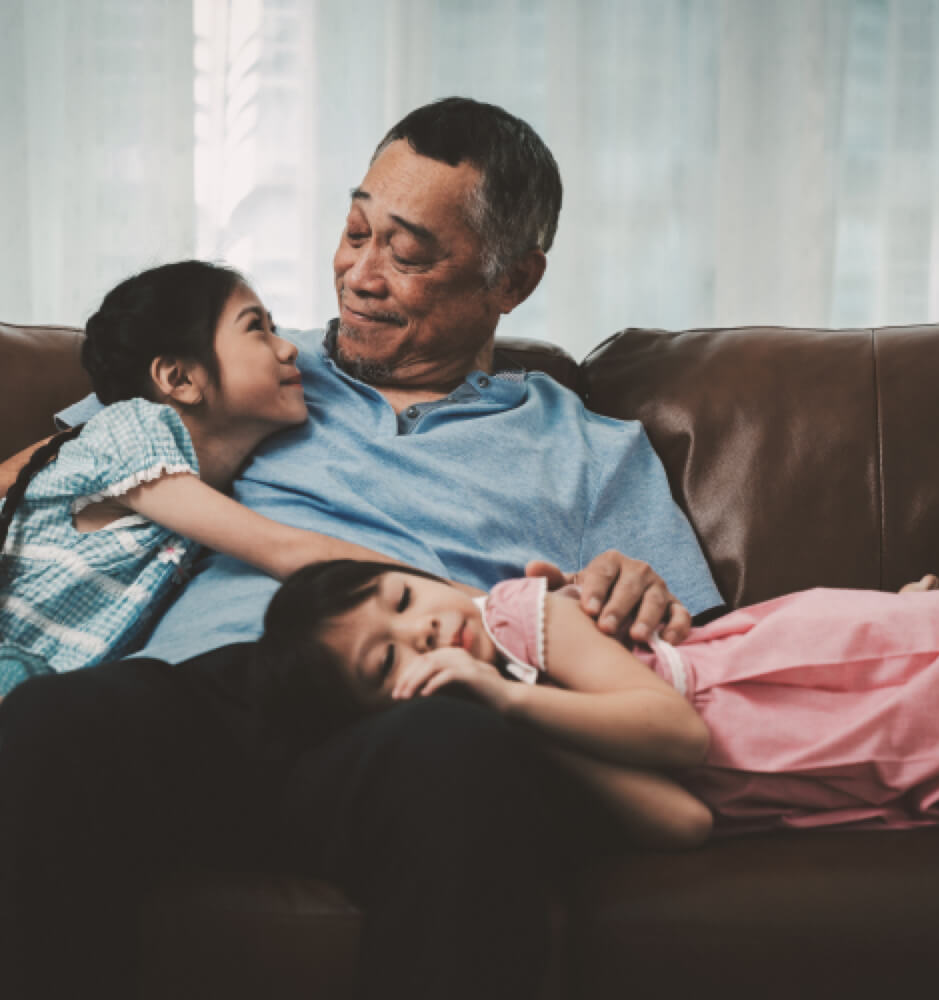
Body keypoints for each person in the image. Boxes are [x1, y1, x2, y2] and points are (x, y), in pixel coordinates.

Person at [0, 98, 723, 1000]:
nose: (360, 275)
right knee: (49, 724)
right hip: (216, 691)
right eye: (354, 230)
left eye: (408, 253)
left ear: (514, 281)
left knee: (456, 758)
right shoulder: (253, 365)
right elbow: (50, 472)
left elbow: (701, 655)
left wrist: (634, 589)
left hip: (409, 717)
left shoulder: (591, 450)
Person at [256, 559, 939, 841]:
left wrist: (508, 701)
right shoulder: (505, 727)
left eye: (403, 596)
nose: (426, 627)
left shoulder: (524, 613)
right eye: (390, 657)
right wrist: (503, 714)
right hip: (811, 767)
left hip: (799, 680)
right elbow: (683, 821)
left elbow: (681, 738)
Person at [0, 260, 401, 699]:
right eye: (256, 329)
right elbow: (286, 549)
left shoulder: (197, 493)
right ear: (180, 378)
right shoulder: (132, 433)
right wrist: (468, 601)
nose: (288, 350)